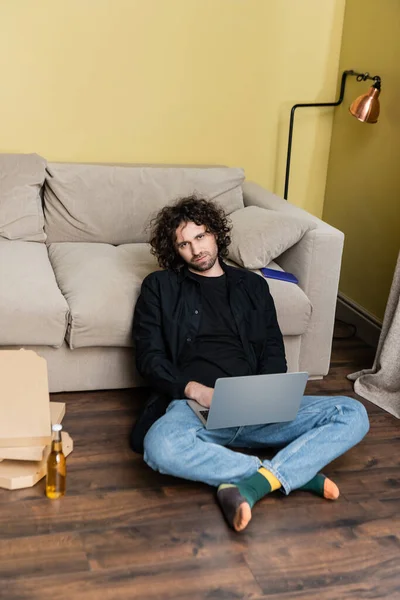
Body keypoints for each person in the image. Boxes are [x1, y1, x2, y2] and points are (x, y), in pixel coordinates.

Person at [131, 196, 369, 532]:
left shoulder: (253, 285)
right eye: (183, 244)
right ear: (175, 251)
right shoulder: (160, 287)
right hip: (194, 407)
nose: (195, 249)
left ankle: (251, 479)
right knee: (160, 447)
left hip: (254, 408)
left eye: (200, 237)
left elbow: (273, 349)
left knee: (352, 413)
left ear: (214, 233)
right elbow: (149, 357)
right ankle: (286, 476)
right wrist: (195, 390)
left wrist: (266, 395)